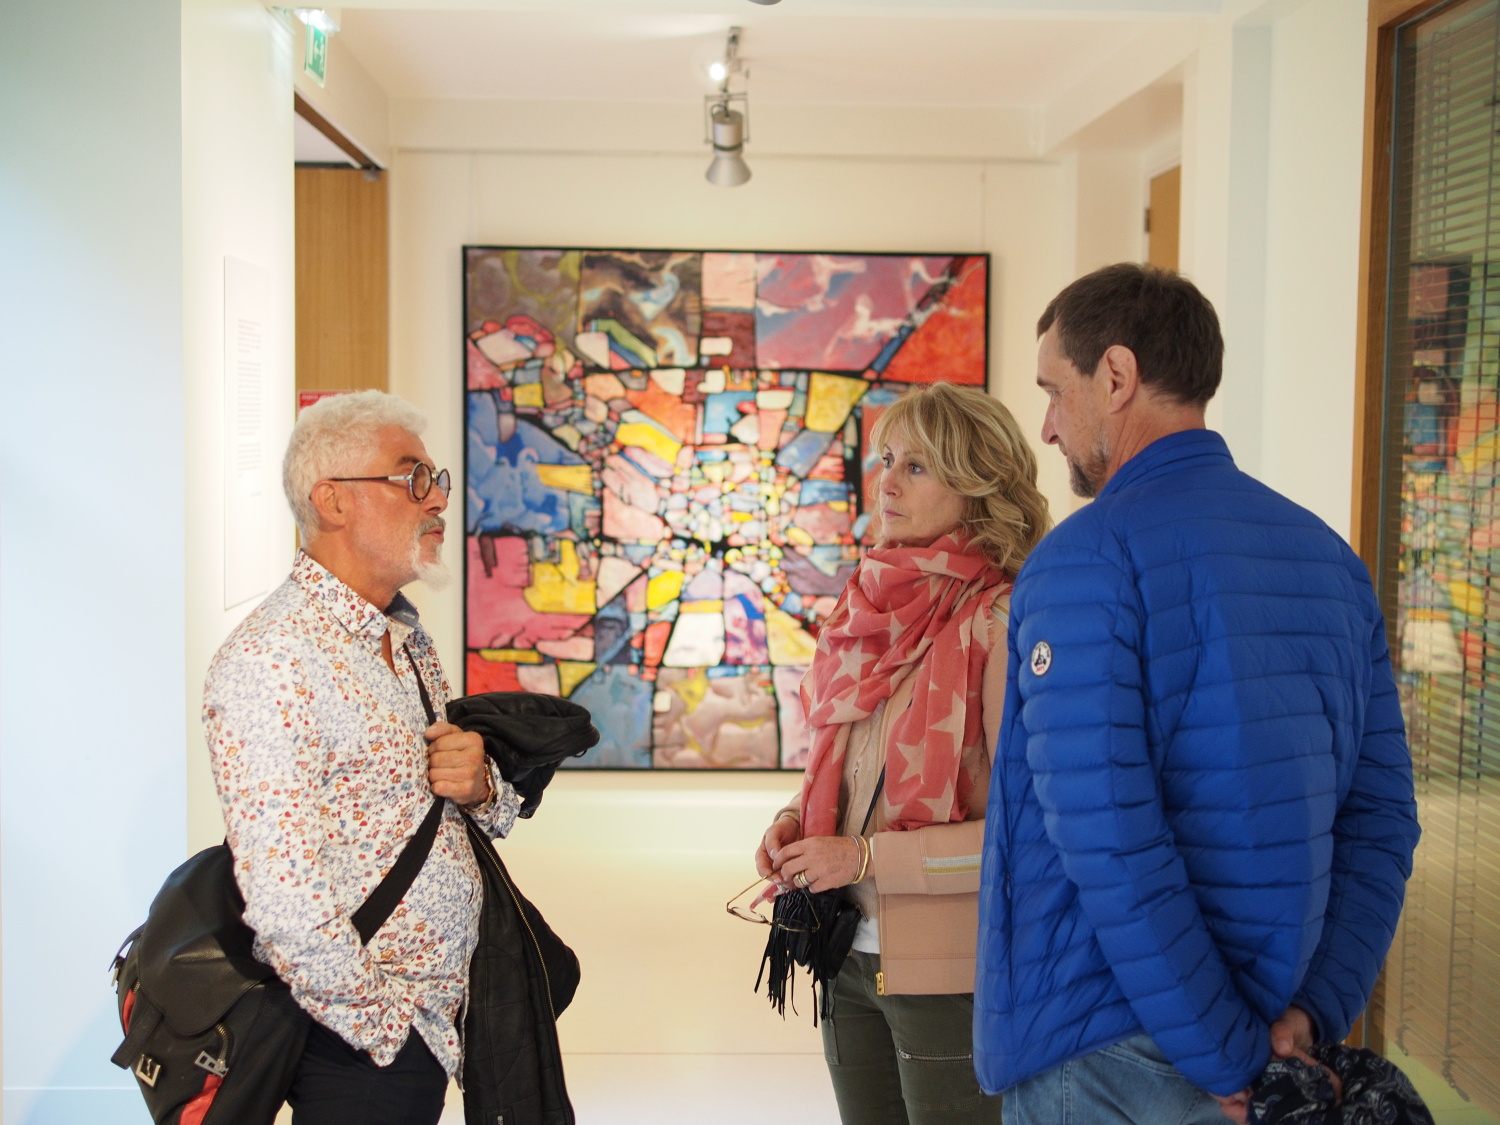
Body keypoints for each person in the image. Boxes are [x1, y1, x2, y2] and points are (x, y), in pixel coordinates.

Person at [972, 263, 1421, 1124]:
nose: (1048, 426)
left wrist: (1227, 1057)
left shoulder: (1082, 561)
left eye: (1054, 391)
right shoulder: (1330, 560)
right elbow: (1383, 820)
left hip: (1107, 1050)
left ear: (1116, 374)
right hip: (1275, 1033)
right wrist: (1310, 1015)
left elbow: (1105, 835)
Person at [203, 390, 523, 1123]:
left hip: (429, 1019)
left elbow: (474, 814)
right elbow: (283, 895)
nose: (437, 498)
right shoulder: (272, 660)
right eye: (412, 477)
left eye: (436, 478)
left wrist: (481, 787)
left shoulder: (402, 636)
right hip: (357, 1043)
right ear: (334, 500)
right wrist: (386, 1030)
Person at [753, 382, 1050, 1124]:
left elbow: (1028, 837)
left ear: (978, 484)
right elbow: (858, 767)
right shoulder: (870, 605)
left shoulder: (1005, 623)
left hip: (952, 972)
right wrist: (797, 819)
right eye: (886, 459)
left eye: (917, 467)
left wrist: (862, 858)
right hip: (844, 951)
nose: (886, 482)